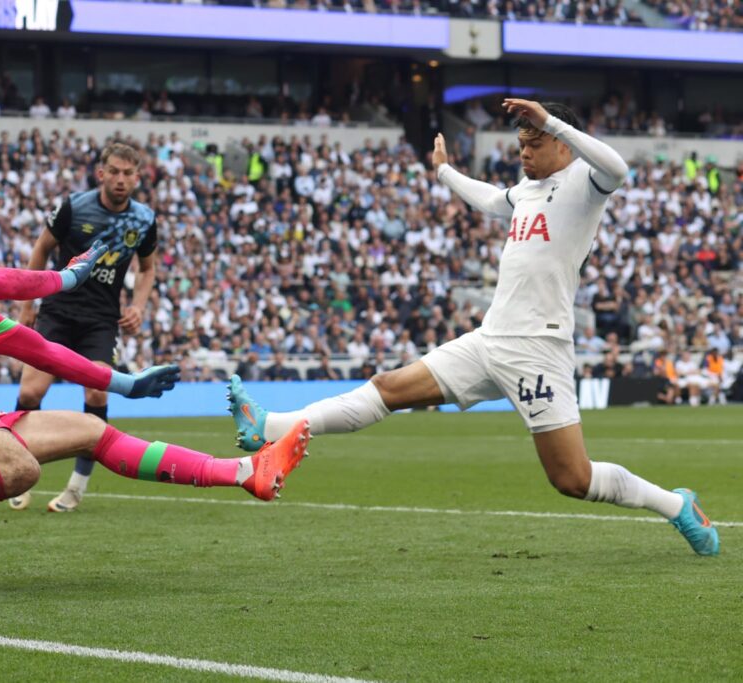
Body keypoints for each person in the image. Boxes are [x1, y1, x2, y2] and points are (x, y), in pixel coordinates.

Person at [225, 99, 719, 557]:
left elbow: (619, 167)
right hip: (489, 340)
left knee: (572, 478)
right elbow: (489, 200)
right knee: (388, 387)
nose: (524, 153)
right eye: (521, 145)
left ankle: (677, 506)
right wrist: (444, 173)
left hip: (537, 348)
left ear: (560, 143)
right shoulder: (527, 191)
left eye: (534, 143)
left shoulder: (587, 184)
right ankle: (267, 426)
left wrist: (551, 120)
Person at [0, 187, 310, 599]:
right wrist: (65, 278)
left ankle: (247, 472)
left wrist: (123, 382)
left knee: (90, 429)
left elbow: (40, 349)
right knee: (21, 468)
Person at [10, 142, 159, 513]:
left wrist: (138, 305)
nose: (121, 179)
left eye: (129, 173)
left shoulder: (143, 220)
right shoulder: (73, 207)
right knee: (30, 392)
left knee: (97, 395)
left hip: (101, 320)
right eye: (115, 171)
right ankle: (13, 470)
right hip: (57, 311)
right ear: (101, 174)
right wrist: (26, 305)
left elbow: (148, 268)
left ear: (137, 178)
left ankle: (76, 488)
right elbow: (41, 250)